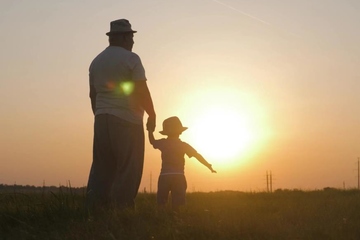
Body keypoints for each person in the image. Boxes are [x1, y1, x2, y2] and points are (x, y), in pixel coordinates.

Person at [86, 19, 156, 209]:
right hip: (127, 119)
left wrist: (99, 115)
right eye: (131, 37)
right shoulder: (131, 59)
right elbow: (142, 89)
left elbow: (93, 94)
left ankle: (95, 207)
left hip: (101, 118)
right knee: (129, 166)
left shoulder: (96, 61)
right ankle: (122, 208)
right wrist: (152, 114)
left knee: (102, 166)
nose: (133, 41)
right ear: (124, 37)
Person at [148, 116, 216, 211]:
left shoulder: (163, 143)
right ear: (180, 131)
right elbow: (197, 155)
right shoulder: (183, 145)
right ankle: (176, 220)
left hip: (164, 176)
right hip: (179, 177)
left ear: (166, 132)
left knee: (161, 203)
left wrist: (150, 131)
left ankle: (162, 220)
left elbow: (152, 142)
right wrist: (208, 165)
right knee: (178, 205)